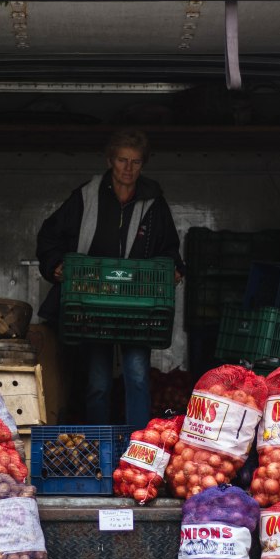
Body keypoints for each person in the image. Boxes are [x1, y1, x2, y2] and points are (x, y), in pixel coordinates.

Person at [36, 129, 185, 428]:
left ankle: (139, 447)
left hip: (138, 308)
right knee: (98, 383)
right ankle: (98, 448)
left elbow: (169, 247)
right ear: (109, 160)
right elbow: (50, 234)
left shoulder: (153, 201)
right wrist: (55, 265)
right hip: (94, 306)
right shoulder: (87, 195)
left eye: (136, 162)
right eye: (122, 160)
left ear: (143, 165)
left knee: (138, 377)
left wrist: (174, 269)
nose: (128, 168)